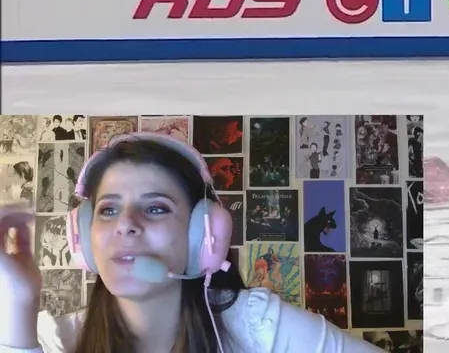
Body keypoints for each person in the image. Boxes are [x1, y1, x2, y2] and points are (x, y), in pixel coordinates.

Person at [0, 133, 381, 352]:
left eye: (156, 208)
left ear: (203, 234)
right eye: (108, 210)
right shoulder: (54, 341)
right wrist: (18, 304)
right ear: (83, 235)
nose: (126, 225)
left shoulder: (257, 325)